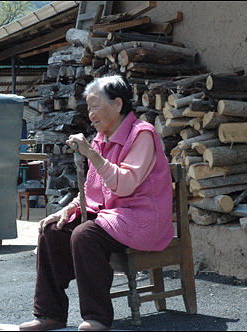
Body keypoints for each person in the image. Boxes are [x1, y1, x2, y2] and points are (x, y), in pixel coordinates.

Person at [19, 75, 174, 331]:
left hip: (140, 216)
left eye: (95, 106)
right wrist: (67, 210)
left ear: (117, 104)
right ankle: (50, 313)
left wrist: (90, 153)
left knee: (84, 235)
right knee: (51, 232)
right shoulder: (101, 138)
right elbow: (93, 193)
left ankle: (97, 318)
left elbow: (124, 184)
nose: (90, 114)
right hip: (111, 215)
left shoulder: (142, 134)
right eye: (88, 108)